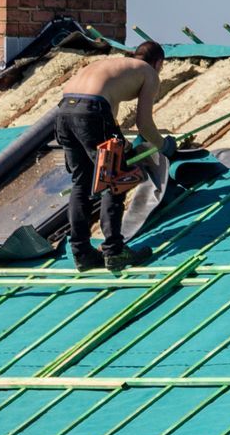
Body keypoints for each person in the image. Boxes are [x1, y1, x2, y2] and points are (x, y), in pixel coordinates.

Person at [55, 41, 170, 270]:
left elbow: (108, 118)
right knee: (114, 178)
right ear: (158, 63)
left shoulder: (113, 66)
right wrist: (164, 146)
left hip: (64, 112)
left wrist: (121, 145)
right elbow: (144, 124)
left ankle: (82, 253)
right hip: (91, 111)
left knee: (82, 182)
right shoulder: (148, 72)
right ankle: (114, 252)